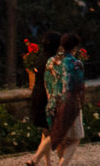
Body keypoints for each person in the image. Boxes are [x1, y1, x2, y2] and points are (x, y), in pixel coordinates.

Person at [45, 33, 85, 166]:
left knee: (61, 139)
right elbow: (79, 87)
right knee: (75, 138)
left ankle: (62, 162)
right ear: (75, 47)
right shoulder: (76, 63)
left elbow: (47, 83)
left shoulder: (51, 61)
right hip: (69, 103)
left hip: (53, 102)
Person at [24, 31, 61, 166]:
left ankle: (47, 163)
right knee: (56, 131)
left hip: (37, 96)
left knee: (46, 132)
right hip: (47, 98)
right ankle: (35, 159)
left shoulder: (40, 58)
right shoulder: (52, 61)